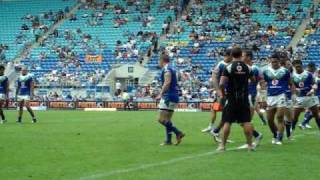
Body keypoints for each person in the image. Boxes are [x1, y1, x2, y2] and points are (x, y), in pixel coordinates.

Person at [217, 47, 255, 151]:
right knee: (246, 121)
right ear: (241, 55)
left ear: (232, 55)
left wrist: (223, 94)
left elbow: (221, 83)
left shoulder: (228, 67)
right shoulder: (248, 67)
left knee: (227, 122)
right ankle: (250, 145)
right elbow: (253, 80)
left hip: (231, 98)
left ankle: (222, 146)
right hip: (243, 98)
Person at [262, 53, 293, 145]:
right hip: (270, 96)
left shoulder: (285, 71)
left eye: (275, 62)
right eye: (272, 62)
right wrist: (263, 98)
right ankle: (275, 134)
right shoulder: (266, 71)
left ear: (279, 61)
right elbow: (264, 84)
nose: (274, 63)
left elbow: (290, 83)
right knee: (270, 120)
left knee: (279, 117)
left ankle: (279, 138)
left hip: (281, 96)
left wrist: (293, 95)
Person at [202, 49, 232, 142]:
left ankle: (215, 131)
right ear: (228, 55)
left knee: (223, 113)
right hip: (222, 93)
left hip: (228, 93)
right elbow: (214, 78)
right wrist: (218, 90)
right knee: (218, 110)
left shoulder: (231, 64)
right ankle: (214, 129)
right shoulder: (221, 64)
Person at [156, 54, 185, 146]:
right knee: (168, 120)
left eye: (159, 61)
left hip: (168, 96)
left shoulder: (167, 69)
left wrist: (160, 93)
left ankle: (178, 132)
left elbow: (167, 82)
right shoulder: (173, 68)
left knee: (161, 119)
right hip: (175, 96)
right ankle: (168, 140)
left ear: (162, 60)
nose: (158, 63)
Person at [291, 60, 320, 132]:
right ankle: (291, 130)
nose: (297, 68)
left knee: (316, 115)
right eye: (296, 67)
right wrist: (295, 91)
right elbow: (292, 86)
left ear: (302, 65)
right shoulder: (293, 76)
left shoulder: (308, 74)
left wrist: (312, 90)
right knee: (295, 117)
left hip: (310, 97)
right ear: (294, 67)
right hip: (300, 98)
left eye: (299, 66)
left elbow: (314, 84)